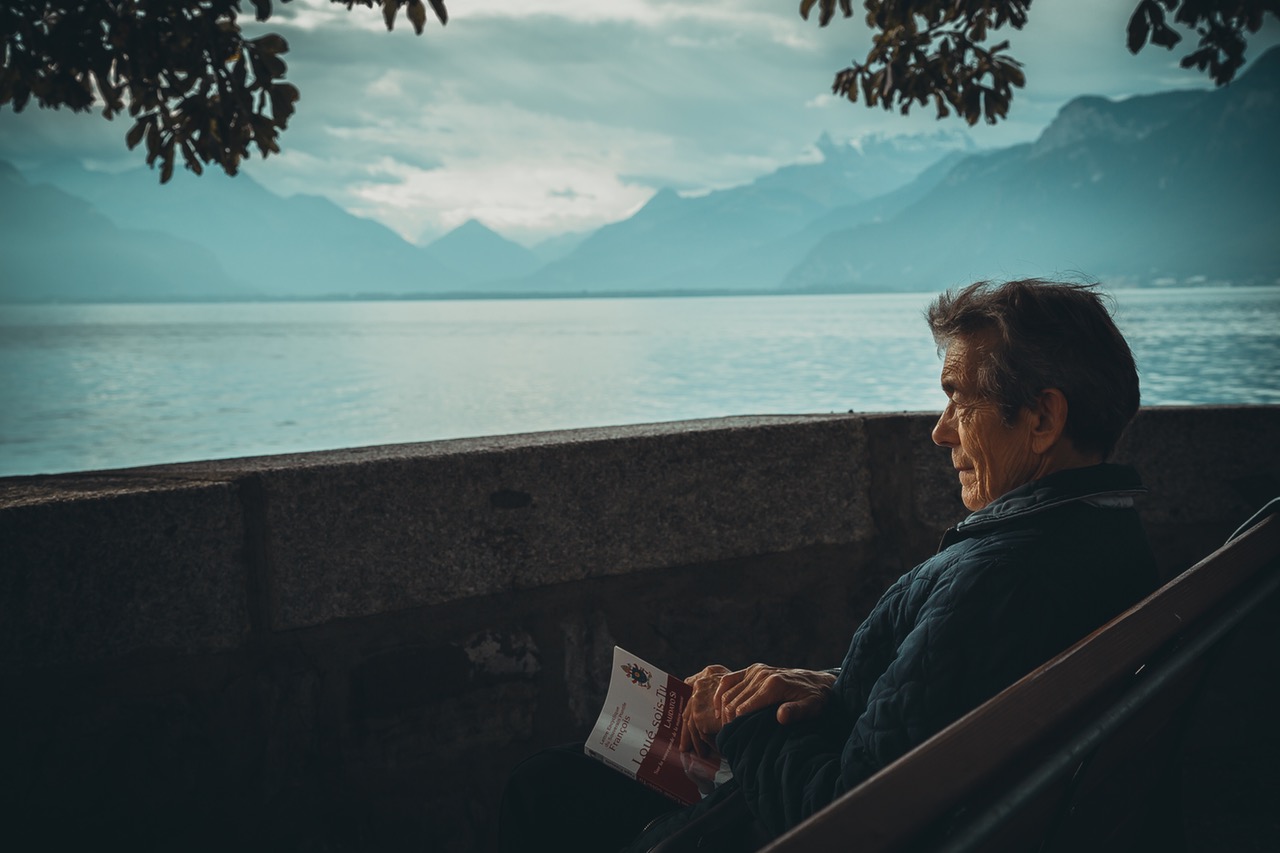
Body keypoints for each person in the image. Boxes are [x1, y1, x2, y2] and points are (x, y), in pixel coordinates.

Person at [499, 279, 1158, 852]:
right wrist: (818, 684)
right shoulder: (1099, 534)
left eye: (960, 399)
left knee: (543, 788)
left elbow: (848, 818)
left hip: (789, 816)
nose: (941, 430)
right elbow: (938, 689)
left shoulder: (1001, 580)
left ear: (1042, 417)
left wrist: (738, 720)